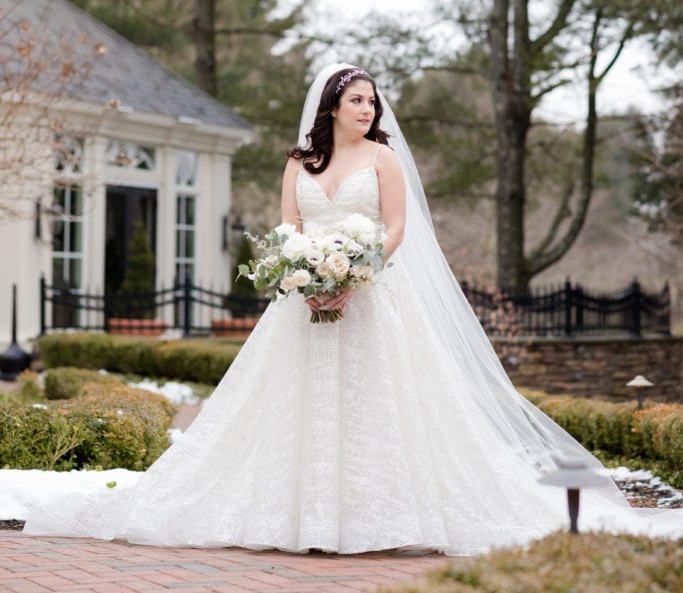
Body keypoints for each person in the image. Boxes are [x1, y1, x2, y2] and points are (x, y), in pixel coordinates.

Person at [15, 63, 683, 552]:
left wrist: (355, 274)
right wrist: (302, 276)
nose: (368, 110)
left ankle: (376, 518)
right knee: (290, 407)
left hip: (372, 301)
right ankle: (293, 515)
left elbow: (396, 230)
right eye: (357, 100)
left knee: (377, 407)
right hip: (302, 305)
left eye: (373, 101)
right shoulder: (299, 162)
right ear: (332, 104)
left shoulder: (384, 161)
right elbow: (285, 230)